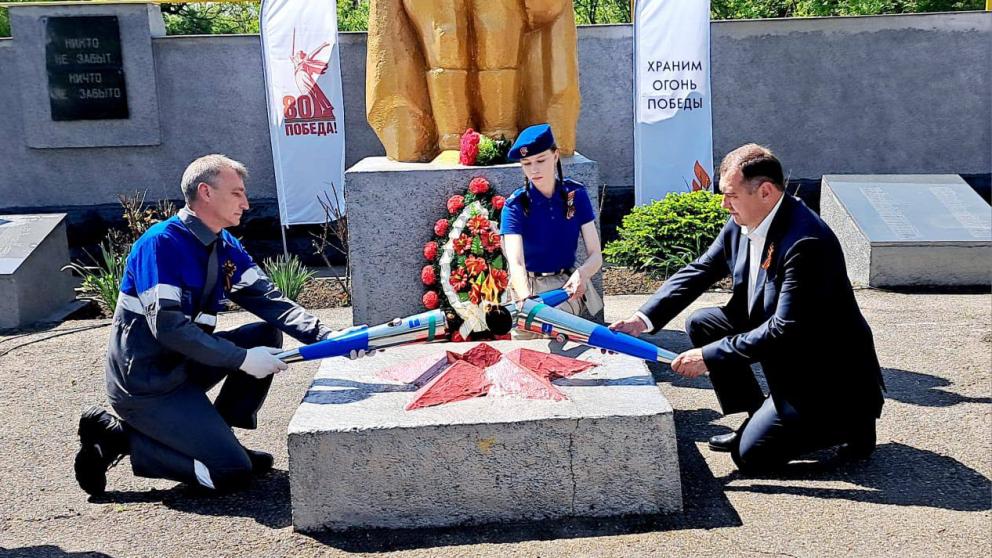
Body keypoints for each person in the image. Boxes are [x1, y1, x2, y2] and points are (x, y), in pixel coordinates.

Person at [74, 154, 369, 496]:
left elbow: (268, 299)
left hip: (182, 366)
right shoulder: (161, 245)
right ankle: (118, 438)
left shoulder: (223, 244)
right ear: (206, 193)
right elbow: (168, 328)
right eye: (237, 193)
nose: (246, 203)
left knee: (263, 333)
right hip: (147, 385)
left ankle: (219, 437)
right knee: (231, 473)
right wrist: (241, 359)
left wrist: (328, 337)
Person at [610, 144, 885, 474]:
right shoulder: (744, 220)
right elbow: (701, 271)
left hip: (823, 376)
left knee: (751, 457)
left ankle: (850, 426)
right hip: (786, 350)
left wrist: (709, 357)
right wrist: (642, 320)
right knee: (703, 323)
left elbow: (785, 329)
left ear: (766, 191)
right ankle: (759, 417)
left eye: (730, 195)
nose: (723, 204)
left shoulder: (805, 242)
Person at [500, 123, 604, 327]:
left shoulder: (575, 195)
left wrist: (581, 274)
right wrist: (527, 302)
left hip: (563, 286)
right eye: (526, 163)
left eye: (540, 160)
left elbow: (596, 255)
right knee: (524, 351)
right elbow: (516, 263)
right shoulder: (515, 205)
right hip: (526, 289)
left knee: (559, 342)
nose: (534, 169)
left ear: (555, 156)